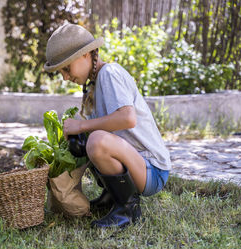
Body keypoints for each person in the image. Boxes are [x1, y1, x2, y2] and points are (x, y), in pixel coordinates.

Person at [44, 23, 171, 228]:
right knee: (86, 140)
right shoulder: (93, 85)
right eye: (61, 72)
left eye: (67, 68)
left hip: (152, 169)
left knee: (96, 140)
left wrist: (81, 127)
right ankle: (112, 197)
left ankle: (128, 210)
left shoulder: (110, 73)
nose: (65, 77)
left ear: (86, 54)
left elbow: (127, 118)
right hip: (137, 165)